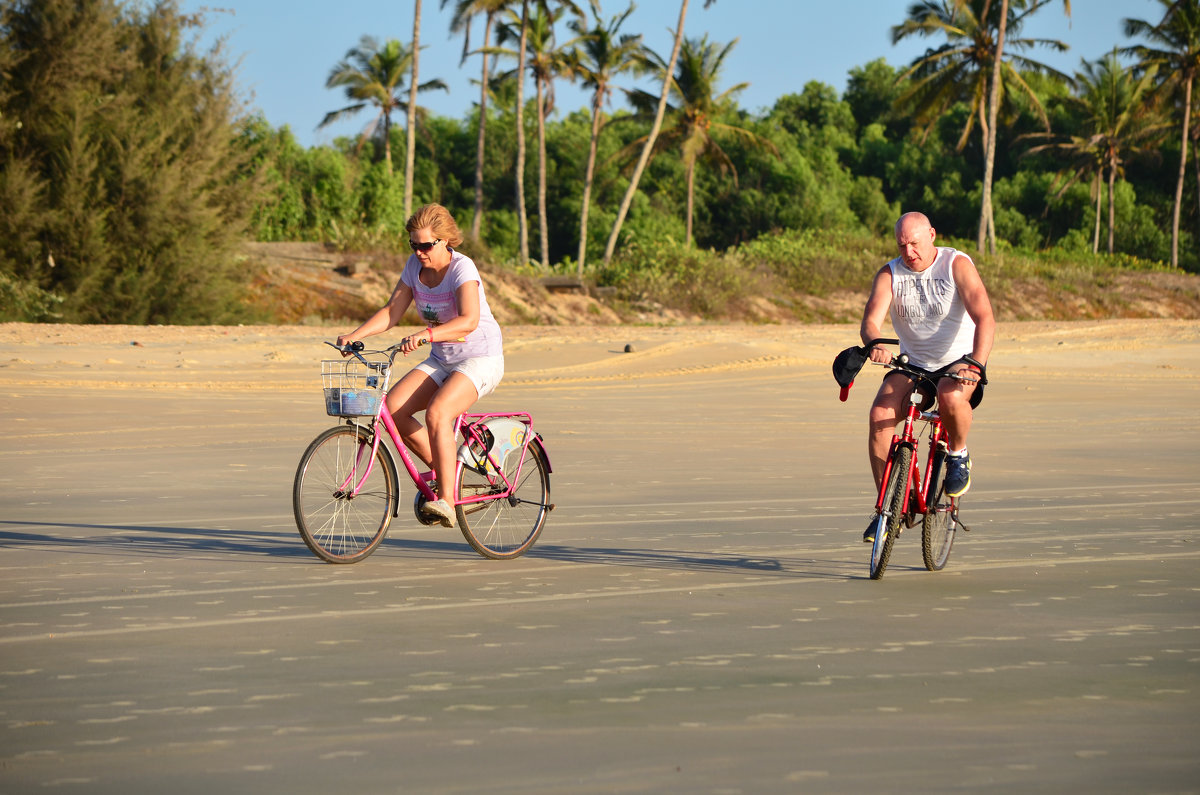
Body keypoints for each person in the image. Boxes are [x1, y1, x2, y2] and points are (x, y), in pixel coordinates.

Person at [337, 204, 504, 528]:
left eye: (426, 245)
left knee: (438, 413)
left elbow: (468, 321)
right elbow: (392, 311)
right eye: (414, 244)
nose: (419, 251)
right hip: (443, 359)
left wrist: (427, 334)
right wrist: (355, 335)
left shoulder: (462, 269)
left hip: (480, 358)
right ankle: (448, 476)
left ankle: (447, 500)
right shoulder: (414, 267)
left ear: (444, 241)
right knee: (393, 409)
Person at [859, 211, 995, 542]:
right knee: (880, 414)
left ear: (932, 235)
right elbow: (871, 322)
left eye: (915, 243)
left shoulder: (956, 265)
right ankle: (887, 509)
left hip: (957, 362)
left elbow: (985, 317)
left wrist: (976, 363)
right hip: (913, 363)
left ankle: (958, 453)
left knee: (950, 397)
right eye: (902, 245)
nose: (909, 252)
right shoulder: (890, 274)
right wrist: (875, 343)